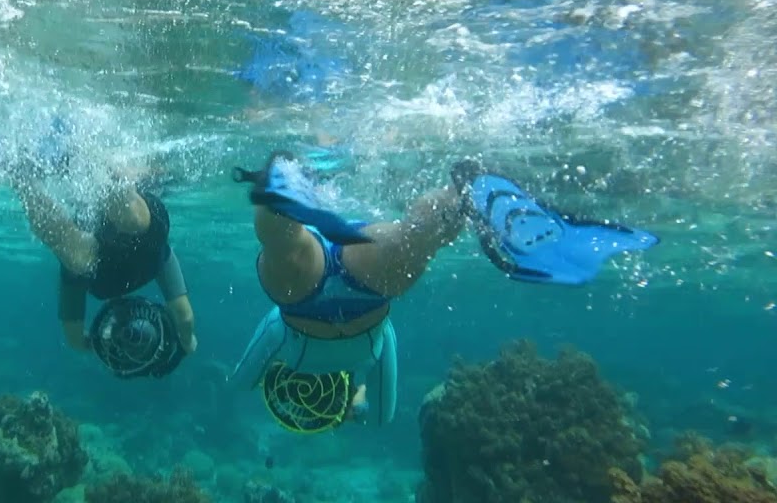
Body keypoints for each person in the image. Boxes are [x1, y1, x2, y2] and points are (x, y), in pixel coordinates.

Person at [229, 150, 658, 430]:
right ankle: (281, 195)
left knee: (408, 244)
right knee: (398, 241)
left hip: (352, 304)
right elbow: (245, 378)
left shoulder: (355, 355)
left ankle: (462, 193)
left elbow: (379, 412)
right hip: (325, 303)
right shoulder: (295, 350)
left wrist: (357, 408)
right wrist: (360, 407)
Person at [8, 166, 198, 357]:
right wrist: (100, 345)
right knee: (84, 255)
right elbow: (74, 340)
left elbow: (185, 318)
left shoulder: (152, 264)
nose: (128, 335)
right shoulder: (156, 261)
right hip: (122, 255)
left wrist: (188, 341)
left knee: (91, 252)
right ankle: (22, 177)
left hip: (122, 250)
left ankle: (28, 174)